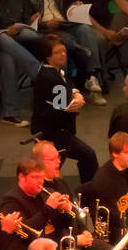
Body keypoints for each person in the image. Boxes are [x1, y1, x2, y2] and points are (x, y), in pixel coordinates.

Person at [30, 33, 98, 184]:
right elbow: (63, 109)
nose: (63, 54)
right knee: (51, 173)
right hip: (52, 133)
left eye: (64, 51)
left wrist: (77, 94)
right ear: (48, 57)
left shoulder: (57, 71)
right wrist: (77, 103)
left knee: (87, 156)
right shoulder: (51, 78)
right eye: (57, 52)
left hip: (56, 130)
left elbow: (69, 85)